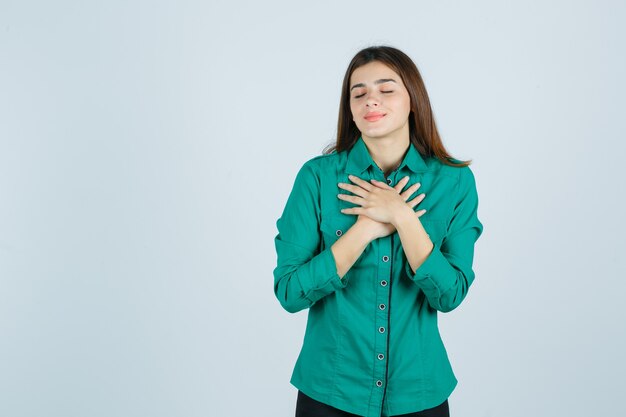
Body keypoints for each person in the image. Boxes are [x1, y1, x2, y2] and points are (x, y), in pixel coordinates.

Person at [273, 45, 484, 417]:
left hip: (419, 393)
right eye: (359, 93)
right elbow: (290, 292)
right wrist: (366, 229)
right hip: (330, 392)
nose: (372, 100)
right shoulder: (317, 179)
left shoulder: (454, 182)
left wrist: (403, 217)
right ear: (350, 109)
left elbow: (450, 295)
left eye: (386, 89)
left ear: (413, 100)